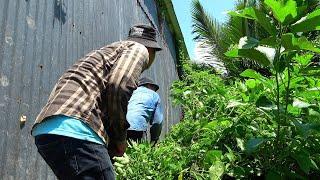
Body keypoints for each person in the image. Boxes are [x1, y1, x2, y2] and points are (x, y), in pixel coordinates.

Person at [31, 24, 162, 179]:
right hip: (77, 129)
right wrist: (120, 139)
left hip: (47, 130)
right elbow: (119, 85)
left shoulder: (106, 53)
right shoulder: (139, 49)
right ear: (151, 50)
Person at [126, 77, 163, 145]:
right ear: (148, 85)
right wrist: (154, 139)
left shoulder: (130, 91)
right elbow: (158, 121)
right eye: (154, 88)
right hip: (136, 128)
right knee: (134, 153)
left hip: (119, 124)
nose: (154, 91)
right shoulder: (155, 95)